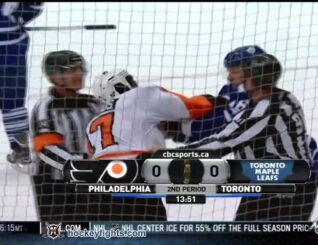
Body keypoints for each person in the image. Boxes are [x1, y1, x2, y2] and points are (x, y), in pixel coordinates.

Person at [184, 52, 318, 220]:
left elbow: (223, 143)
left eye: (245, 76)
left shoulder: (265, 112)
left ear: (252, 81)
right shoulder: (287, 97)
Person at [84, 69, 223, 220]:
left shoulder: (93, 122)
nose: (134, 85)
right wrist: (208, 99)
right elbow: (192, 108)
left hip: (98, 190)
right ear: (119, 86)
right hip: (136, 179)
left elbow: (92, 150)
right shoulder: (137, 97)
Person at [30, 50, 111, 221]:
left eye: (80, 68)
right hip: (56, 187)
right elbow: (46, 149)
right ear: (54, 77)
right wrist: (80, 166)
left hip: (93, 180)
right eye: (71, 70)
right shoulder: (45, 107)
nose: (78, 73)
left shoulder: (94, 104)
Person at [0, 2, 44, 165]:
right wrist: (17, 18)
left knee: (13, 102)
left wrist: (16, 18)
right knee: (13, 102)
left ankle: (22, 146)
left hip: (11, 49)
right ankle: (22, 147)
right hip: (12, 50)